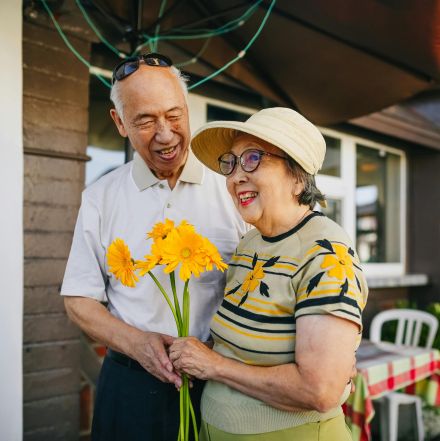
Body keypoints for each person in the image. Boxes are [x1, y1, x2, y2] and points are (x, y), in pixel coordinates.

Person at [60, 53, 247, 441]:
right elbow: (78, 299)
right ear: (120, 123)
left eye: (174, 115)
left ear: (188, 108)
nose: (165, 134)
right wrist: (138, 344)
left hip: (223, 384)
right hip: (130, 386)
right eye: (145, 120)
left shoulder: (234, 187)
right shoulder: (100, 197)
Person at [169, 107, 369, 441]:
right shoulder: (250, 242)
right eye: (230, 163)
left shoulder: (325, 250)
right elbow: (243, 342)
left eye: (252, 159)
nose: (235, 177)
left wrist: (213, 365)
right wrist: (196, 350)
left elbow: (319, 390)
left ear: (296, 175)